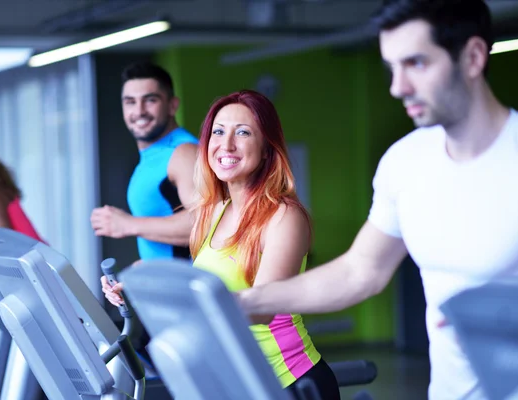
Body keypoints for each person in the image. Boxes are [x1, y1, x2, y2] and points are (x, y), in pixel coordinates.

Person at [236, 1, 518, 399]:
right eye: (392, 68)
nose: (398, 87)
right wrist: (242, 303)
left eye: (417, 64)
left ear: (474, 57)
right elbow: (360, 271)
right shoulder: (405, 162)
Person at [104, 90, 341, 399]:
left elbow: (263, 306)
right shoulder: (214, 212)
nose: (226, 144)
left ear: (267, 148)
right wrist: (137, 288)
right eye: (218, 132)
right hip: (233, 381)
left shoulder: (283, 216)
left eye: (242, 132)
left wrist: (171, 301)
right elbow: (199, 280)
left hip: (288, 382)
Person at [90, 61, 198, 261]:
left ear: (172, 105)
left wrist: (128, 224)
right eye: (130, 101)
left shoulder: (183, 153)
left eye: (150, 100)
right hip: (166, 287)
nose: (139, 111)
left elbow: (205, 224)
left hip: (188, 289)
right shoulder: (154, 155)